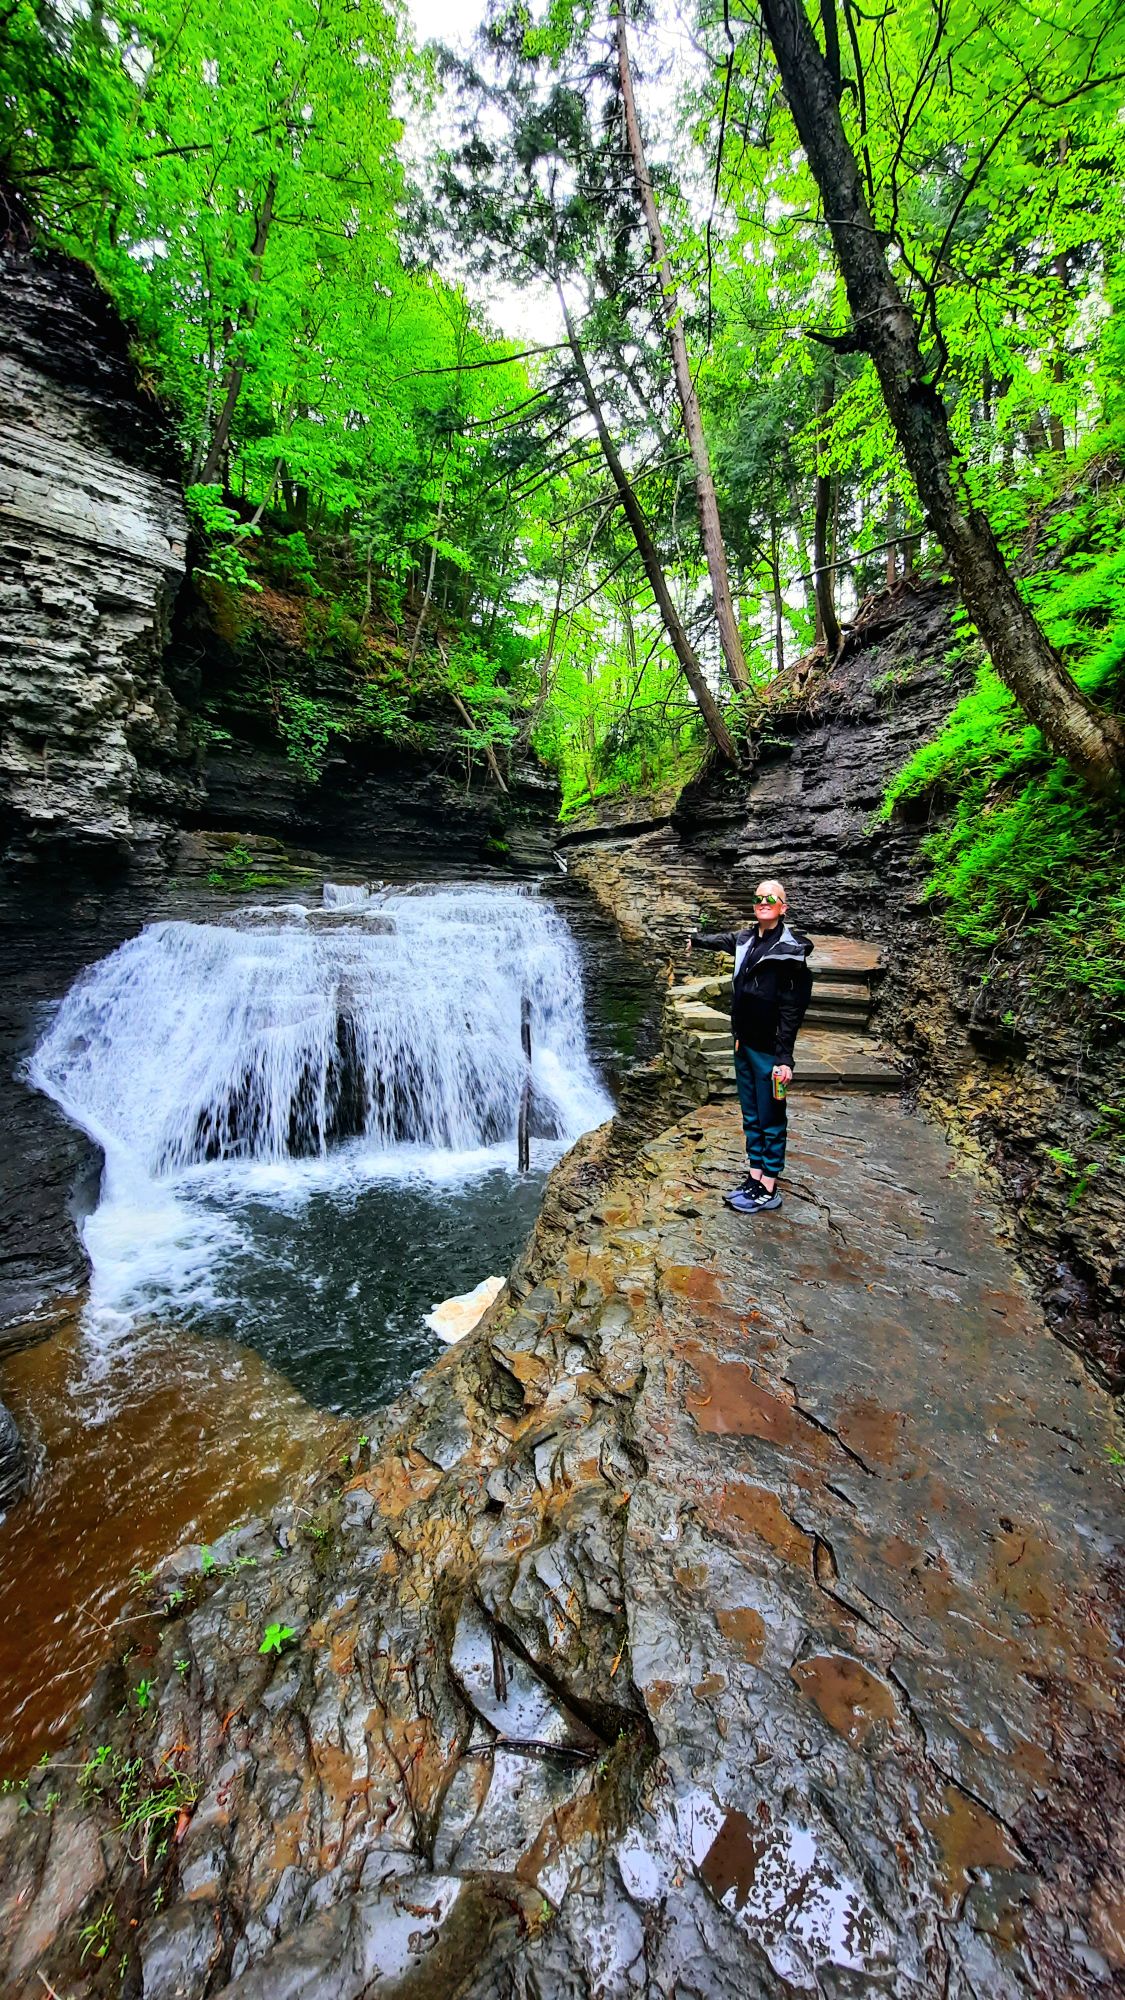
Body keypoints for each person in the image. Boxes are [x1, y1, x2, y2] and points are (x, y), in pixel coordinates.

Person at [686, 879, 813, 1214]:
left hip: (769, 1052)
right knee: (752, 1115)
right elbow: (723, 939)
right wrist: (695, 939)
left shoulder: (791, 953)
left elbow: (791, 1011)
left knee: (771, 1117)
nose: (763, 901)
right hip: (743, 1044)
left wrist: (785, 1059)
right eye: (758, 897)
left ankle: (769, 1184)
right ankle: (754, 1175)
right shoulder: (746, 939)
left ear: (784, 907)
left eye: (771, 897)